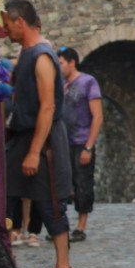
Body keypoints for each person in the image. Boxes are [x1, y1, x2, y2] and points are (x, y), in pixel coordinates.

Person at [1, 0, 75, 268]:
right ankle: (7, 258)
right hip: (25, 137)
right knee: (6, 192)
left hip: (44, 143)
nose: (6, 30)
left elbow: (47, 107)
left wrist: (34, 152)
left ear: (20, 22)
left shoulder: (43, 56)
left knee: (50, 201)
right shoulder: (28, 53)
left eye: (8, 25)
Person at [58, 47, 103, 243]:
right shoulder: (60, 84)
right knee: (61, 185)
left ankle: (81, 225)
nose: (59, 67)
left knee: (83, 184)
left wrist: (89, 146)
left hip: (81, 140)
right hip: (62, 141)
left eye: (61, 63)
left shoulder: (88, 82)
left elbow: (97, 116)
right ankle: (60, 226)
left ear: (71, 62)